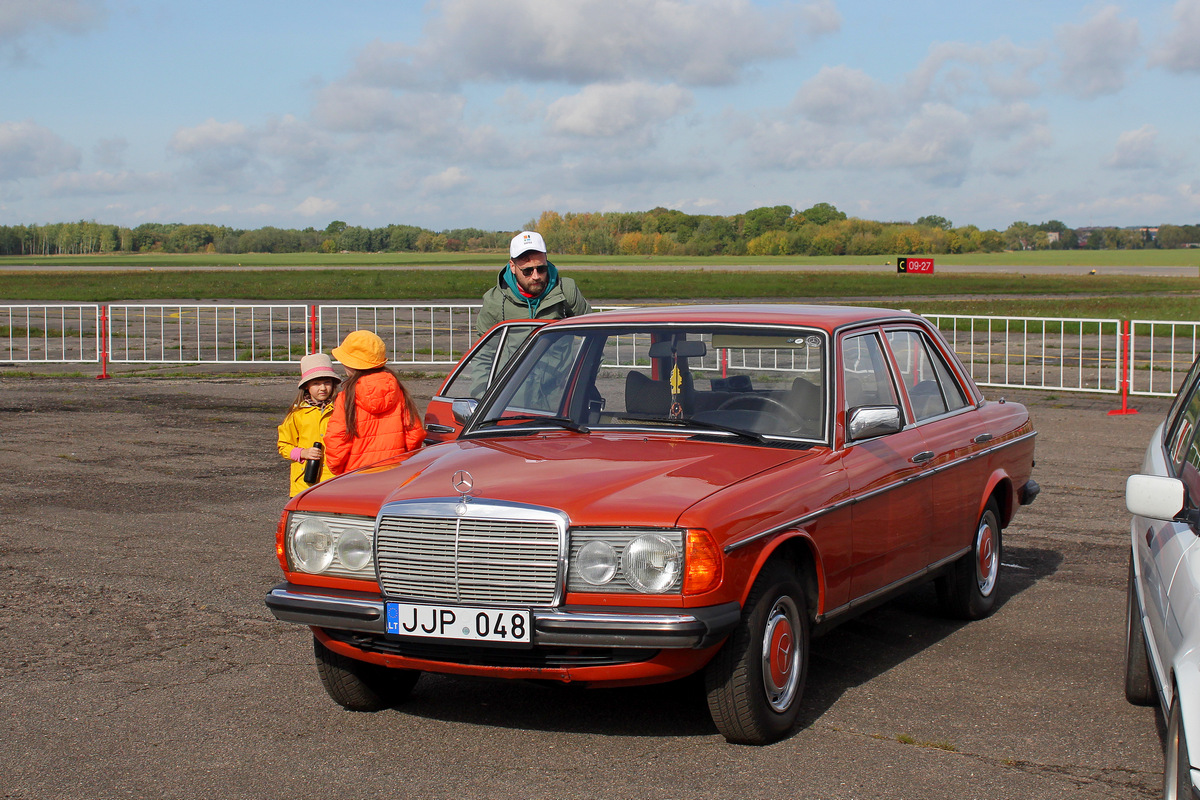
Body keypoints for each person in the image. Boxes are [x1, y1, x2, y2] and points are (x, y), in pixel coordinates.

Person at [324, 330, 425, 475]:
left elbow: (337, 439)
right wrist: (403, 458)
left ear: (352, 364)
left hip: (356, 474)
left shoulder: (347, 397)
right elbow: (415, 434)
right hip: (395, 471)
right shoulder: (397, 391)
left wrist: (337, 470)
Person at [475, 230, 591, 337]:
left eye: (541, 269)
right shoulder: (494, 300)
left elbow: (591, 333)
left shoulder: (566, 290)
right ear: (513, 267)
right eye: (527, 271)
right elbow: (484, 353)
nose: (536, 276)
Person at [276, 352, 341, 496]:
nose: (322, 388)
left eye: (327, 382)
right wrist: (303, 453)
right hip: (305, 483)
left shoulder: (342, 410)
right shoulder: (297, 414)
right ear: (306, 386)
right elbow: (284, 446)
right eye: (316, 383)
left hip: (335, 479)